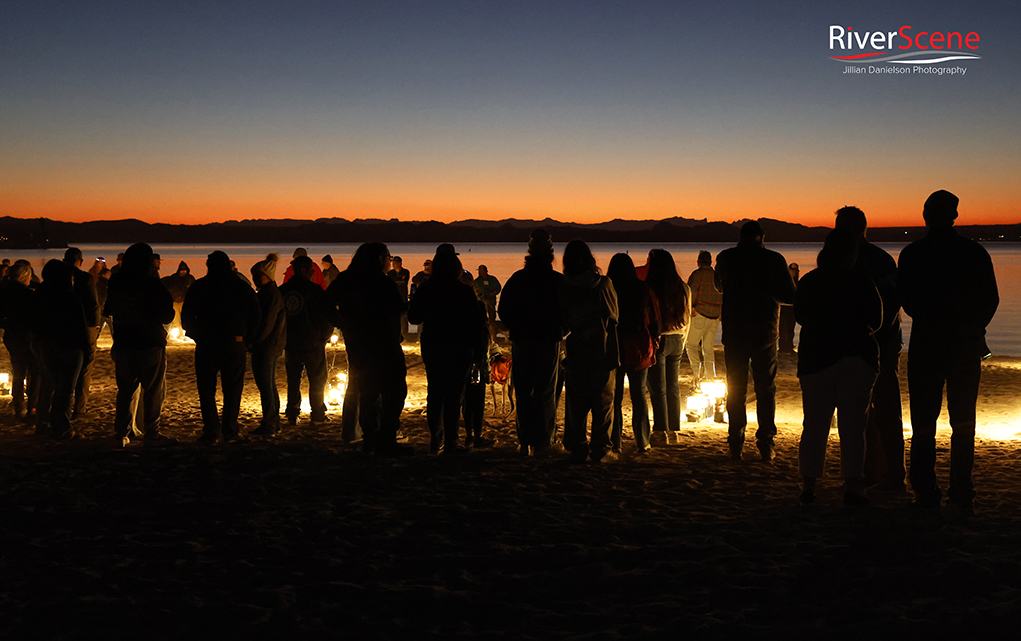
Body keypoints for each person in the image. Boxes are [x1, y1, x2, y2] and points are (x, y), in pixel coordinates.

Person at [898, 190, 998, 514]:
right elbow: (990, 300)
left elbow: (908, 301)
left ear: (926, 215)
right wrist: (973, 328)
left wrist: (934, 317)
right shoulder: (974, 253)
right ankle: (961, 492)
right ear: (954, 216)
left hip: (927, 343)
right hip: (965, 346)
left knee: (924, 423)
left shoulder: (913, 254)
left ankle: (926, 492)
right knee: (963, 422)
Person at [795, 227, 882, 506]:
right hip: (856, 356)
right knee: (853, 425)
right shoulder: (863, 282)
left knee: (815, 425)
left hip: (816, 359)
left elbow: (799, 316)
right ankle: (853, 486)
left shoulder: (810, 281)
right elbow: (877, 320)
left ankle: (809, 486)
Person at [835, 206, 905, 493]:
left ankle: (878, 472)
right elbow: (893, 302)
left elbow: (886, 305)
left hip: (864, 346)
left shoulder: (846, 262)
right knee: (884, 410)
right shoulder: (882, 259)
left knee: (862, 411)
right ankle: (886, 473)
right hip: (884, 344)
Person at [715, 220, 797, 461]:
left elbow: (719, 287)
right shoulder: (774, 260)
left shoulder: (726, 257)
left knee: (736, 389)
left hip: (734, 332)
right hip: (765, 332)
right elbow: (789, 295)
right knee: (766, 388)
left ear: (741, 237)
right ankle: (765, 442)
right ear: (762, 237)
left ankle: (736, 441)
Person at [325, 243, 413, 457]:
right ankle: (385, 438)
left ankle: (371, 437)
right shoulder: (383, 283)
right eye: (388, 258)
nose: (389, 262)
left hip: (357, 343)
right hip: (383, 344)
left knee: (367, 390)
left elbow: (324, 303)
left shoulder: (346, 279)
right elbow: (396, 309)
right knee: (394, 390)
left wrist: (342, 322)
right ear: (379, 259)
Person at [407, 247, 488, 454]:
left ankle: (436, 440)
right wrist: (478, 353)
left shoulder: (427, 288)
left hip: (434, 344)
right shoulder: (464, 291)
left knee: (435, 392)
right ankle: (451, 441)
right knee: (454, 394)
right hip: (460, 346)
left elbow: (413, 317)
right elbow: (475, 324)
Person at [498, 229, 566, 456]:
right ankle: (543, 440)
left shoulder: (518, 279)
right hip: (547, 340)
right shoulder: (557, 281)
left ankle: (525, 440)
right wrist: (561, 330)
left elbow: (504, 311)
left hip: (523, 339)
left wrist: (516, 326)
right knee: (546, 390)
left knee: (524, 390)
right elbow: (568, 312)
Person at [182, 250, 261, 444]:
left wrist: (197, 335)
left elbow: (186, 317)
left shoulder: (200, 287)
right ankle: (230, 430)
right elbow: (256, 315)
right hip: (233, 343)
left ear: (209, 266)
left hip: (208, 343)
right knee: (233, 389)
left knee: (207, 389)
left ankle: (211, 430)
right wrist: (248, 340)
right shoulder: (241, 287)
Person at [103, 242, 177, 447]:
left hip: (124, 342)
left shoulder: (117, 281)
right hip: (149, 343)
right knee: (153, 390)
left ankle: (121, 433)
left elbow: (108, 309)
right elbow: (167, 314)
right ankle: (151, 432)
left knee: (126, 390)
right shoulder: (152, 284)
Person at [559, 240, 619, 464]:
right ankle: (600, 448)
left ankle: (578, 445)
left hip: (576, 347)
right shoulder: (603, 285)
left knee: (577, 402)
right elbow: (614, 317)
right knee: (603, 401)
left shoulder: (565, 287)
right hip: (600, 347)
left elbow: (563, 321)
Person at [607, 253, 659, 453]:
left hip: (615, 346)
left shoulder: (609, 289)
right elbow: (654, 318)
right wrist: (655, 342)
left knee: (615, 397)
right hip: (638, 345)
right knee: (639, 395)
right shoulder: (642, 288)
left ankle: (615, 441)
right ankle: (642, 440)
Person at [33, 260, 90, 440]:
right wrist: (86, 350)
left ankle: (43, 423)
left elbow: (34, 323)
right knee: (65, 389)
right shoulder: (70, 298)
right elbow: (80, 327)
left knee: (49, 386)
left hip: (46, 346)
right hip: (69, 347)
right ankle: (61, 427)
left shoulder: (40, 296)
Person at [279, 255, 333, 425]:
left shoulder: (283, 291)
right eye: (311, 270)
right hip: (312, 341)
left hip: (291, 342)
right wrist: (324, 336)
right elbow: (326, 315)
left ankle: (293, 413)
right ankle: (317, 412)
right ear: (304, 270)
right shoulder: (314, 290)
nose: (313, 273)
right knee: (317, 378)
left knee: (293, 379)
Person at [645, 249, 692, 435]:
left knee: (658, 388)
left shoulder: (651, 288)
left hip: (659, 338)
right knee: (673, 386)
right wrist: (684, 339)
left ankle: (661, 429)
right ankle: (674, 427)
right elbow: (688, 316)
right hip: (678, 338)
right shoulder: (683, 287)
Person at [250, 254, 287, 435]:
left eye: (258, 275)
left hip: (268, 345)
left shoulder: (271, 296)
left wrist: (254, 342)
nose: (255, 279)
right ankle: (274, 421)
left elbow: (266, 324)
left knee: (266, 384)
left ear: (268, 276)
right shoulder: (267, 294)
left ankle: (270, 423)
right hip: (271, 344)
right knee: (268, 384)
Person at [63, 247, 101, 417]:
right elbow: (93, 303)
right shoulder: (85, 278)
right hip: (84, 326)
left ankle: (61, 406)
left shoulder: (56, 277)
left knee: (63, 367)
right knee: (85, 367)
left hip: (63, 326)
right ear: (81, 261)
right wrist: (95, 324)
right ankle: (79, 407)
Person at [0, 262, 40, 420]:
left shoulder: (4, 292)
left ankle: (18, 406)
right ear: (24, 277)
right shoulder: (28, 294)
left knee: (18, 370)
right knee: (35, 372)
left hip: (11, 336)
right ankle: (32, 407)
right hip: (27, 337)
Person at [685, 250, 722, 383]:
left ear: (698, 262)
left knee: (691, 344)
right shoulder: (717, 276)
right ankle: (710, 375)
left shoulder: (697, 275)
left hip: (700, 312)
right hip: (715, 315)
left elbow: (691, 293)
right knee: (708, 347)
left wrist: (690, 308)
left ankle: (697, 372)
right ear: (710, 261)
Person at [161, 261, 195, 333]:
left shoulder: (190, 279)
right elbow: (166, 282)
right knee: (176, 319)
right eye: (182, 270)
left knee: (184, 318)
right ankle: (176, 334)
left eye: (184, 270)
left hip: (185, 302)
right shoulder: (174, 278)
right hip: (175, 301)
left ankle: (184, 333)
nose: (183, 272)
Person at [474, 265, 502, 340]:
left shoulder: (493, 280)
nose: (479, 272)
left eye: (481, 271)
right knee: (482, 319)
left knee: (492, 318)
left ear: (486, 271)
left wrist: (494, 292)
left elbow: (498, 287)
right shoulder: (476, 282)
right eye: (479, 271)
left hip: (491, 302)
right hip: (481, 304)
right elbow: (474, 292)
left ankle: (493, 335)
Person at [778, 263, 800, 354]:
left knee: (790, 328)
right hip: (784, 307)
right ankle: (783, 347)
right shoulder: (785, 283)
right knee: (783, 328)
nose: (793, 272)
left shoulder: (798, 283)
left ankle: (789, 346)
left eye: (795, 270)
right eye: (792, 270)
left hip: (793, 308)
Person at [387, 255, 411, 339]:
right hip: (392, 298)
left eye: (396, 263)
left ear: (400, 263)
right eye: (393, 263)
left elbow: (403, 280)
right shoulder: (390, 273)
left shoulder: (405, 272)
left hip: (403, 297)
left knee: (404, 317)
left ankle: (405, 334)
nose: (394, 264)